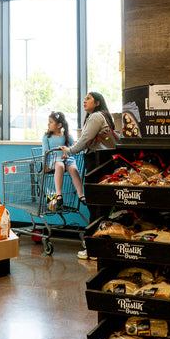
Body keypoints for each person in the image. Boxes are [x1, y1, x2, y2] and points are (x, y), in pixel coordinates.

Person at [60, 91, 118, 258]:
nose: (84, 101)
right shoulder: (104, 116)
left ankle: (94, 249)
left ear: (97, 103)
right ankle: (103, 246)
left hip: (96, 163)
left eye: (88, 99)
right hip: (105, 164)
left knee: (95, 206)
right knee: (103, 207)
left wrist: (69, 151)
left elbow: (85, 139)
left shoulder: (96, 117)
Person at [42, 110, 85, 212]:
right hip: (54, 160)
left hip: (67, 158)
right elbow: (45, 151)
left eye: (51, 122)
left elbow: (74, 144)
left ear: (59, 125)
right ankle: (59, 195)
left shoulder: (67, 135)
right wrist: (45, 165)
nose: (48, 124)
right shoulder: (47, 136)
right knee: (60, 166)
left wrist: (69, 151)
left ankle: (81, 194)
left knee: (74, 169)